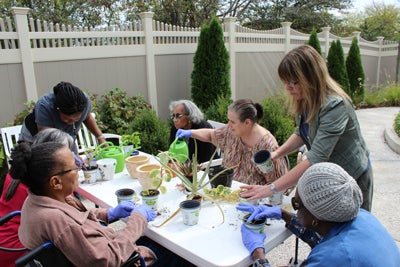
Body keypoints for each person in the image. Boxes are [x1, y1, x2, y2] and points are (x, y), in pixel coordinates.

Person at [10, 141, 194, 266]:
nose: (80, 169)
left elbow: (77, 219)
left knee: (154, 236)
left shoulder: (37, 199)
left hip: (97, 248)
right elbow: (109, 259)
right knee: (184, 252)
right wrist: (138, 219)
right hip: (125, 260)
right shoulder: (58, 222)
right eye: (74, 167)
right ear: (56, 182)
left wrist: (109, 214)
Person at [240, 45, 373, 211]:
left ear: (312, 78)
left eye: (294, 82)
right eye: (285, 82)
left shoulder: (335, 106)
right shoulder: (305, 101)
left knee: (351, 230)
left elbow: (316, 157)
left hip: (352, 176)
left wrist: (270, 188)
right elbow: (302, 133)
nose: (288, 88)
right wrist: (278, 153)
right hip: (330, 176)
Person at [237, 162, 400, 267]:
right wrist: (282, 214)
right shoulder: (361, 216)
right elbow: (321, 235)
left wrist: (258, 254)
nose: (294, 209)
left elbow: (331, 256)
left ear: (315, 218)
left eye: (296, 204)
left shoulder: (331, 258)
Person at [0, 129, 74, 267]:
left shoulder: (19, 173)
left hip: (4, 242)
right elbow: (72, 216)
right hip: (22, 251)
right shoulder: (43, 185)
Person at [176, 99, 288, 185]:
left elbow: (277, 183)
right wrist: (190, 133)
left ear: (247, 122)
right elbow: (211, 136)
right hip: (226, 190)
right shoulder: (231, 131)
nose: (228, 125)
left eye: (232, 122)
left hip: (252, 200)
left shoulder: (267, 146)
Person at [19, 81, 106, 154]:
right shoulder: (45, 105)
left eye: (75, 120)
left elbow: (88, 118)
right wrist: (71, 157)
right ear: (58, 109)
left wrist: (100, 138)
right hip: (35, 139)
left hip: (64, 139)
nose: (70, 123)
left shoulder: (84, 102)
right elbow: (48, 141)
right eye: (67, 119)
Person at [169, 99, 218, 164]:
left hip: (206, 169)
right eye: (173, 116)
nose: (174, 120)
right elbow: (172, 153)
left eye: (178, 116)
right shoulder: (175, 129)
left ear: (189, 116)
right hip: (183, 168)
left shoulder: (204, 128)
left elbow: (205, 159)